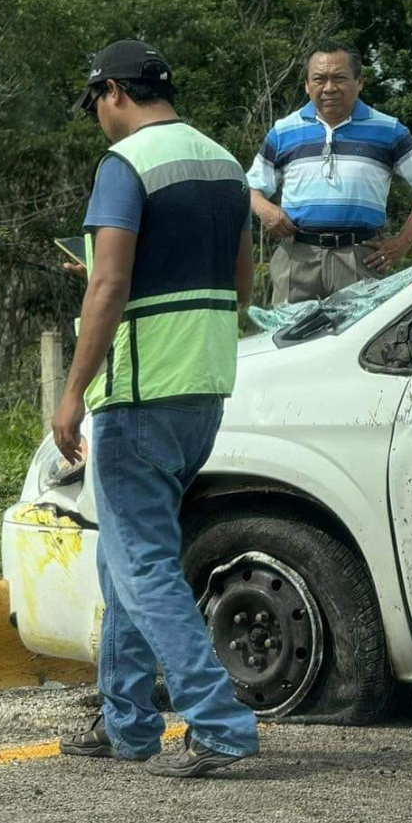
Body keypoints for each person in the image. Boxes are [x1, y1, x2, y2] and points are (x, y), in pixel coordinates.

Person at [51, 39, 259, 779]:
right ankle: (128, 722)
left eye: (96, 104)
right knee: (122, 557)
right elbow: (239, 280)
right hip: (202, 383)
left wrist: (71, 392)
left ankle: (219, 722)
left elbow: (107, 287)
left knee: (141, 563)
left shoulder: (125, 165)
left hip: (138, 389)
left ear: (112, 92)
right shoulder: (224, 162)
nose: (98, 119)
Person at [248, 43, 412, 305]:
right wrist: (265, 210)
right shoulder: (283, 130)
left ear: (359, 81)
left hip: (360, 258)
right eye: (319, 79)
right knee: (290, 342)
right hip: (297, 257)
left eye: (339, 78)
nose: (329, 88)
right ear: (307, 85)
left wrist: (402, 243)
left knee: (360, 342)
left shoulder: (388, 130)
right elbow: (250, 187)